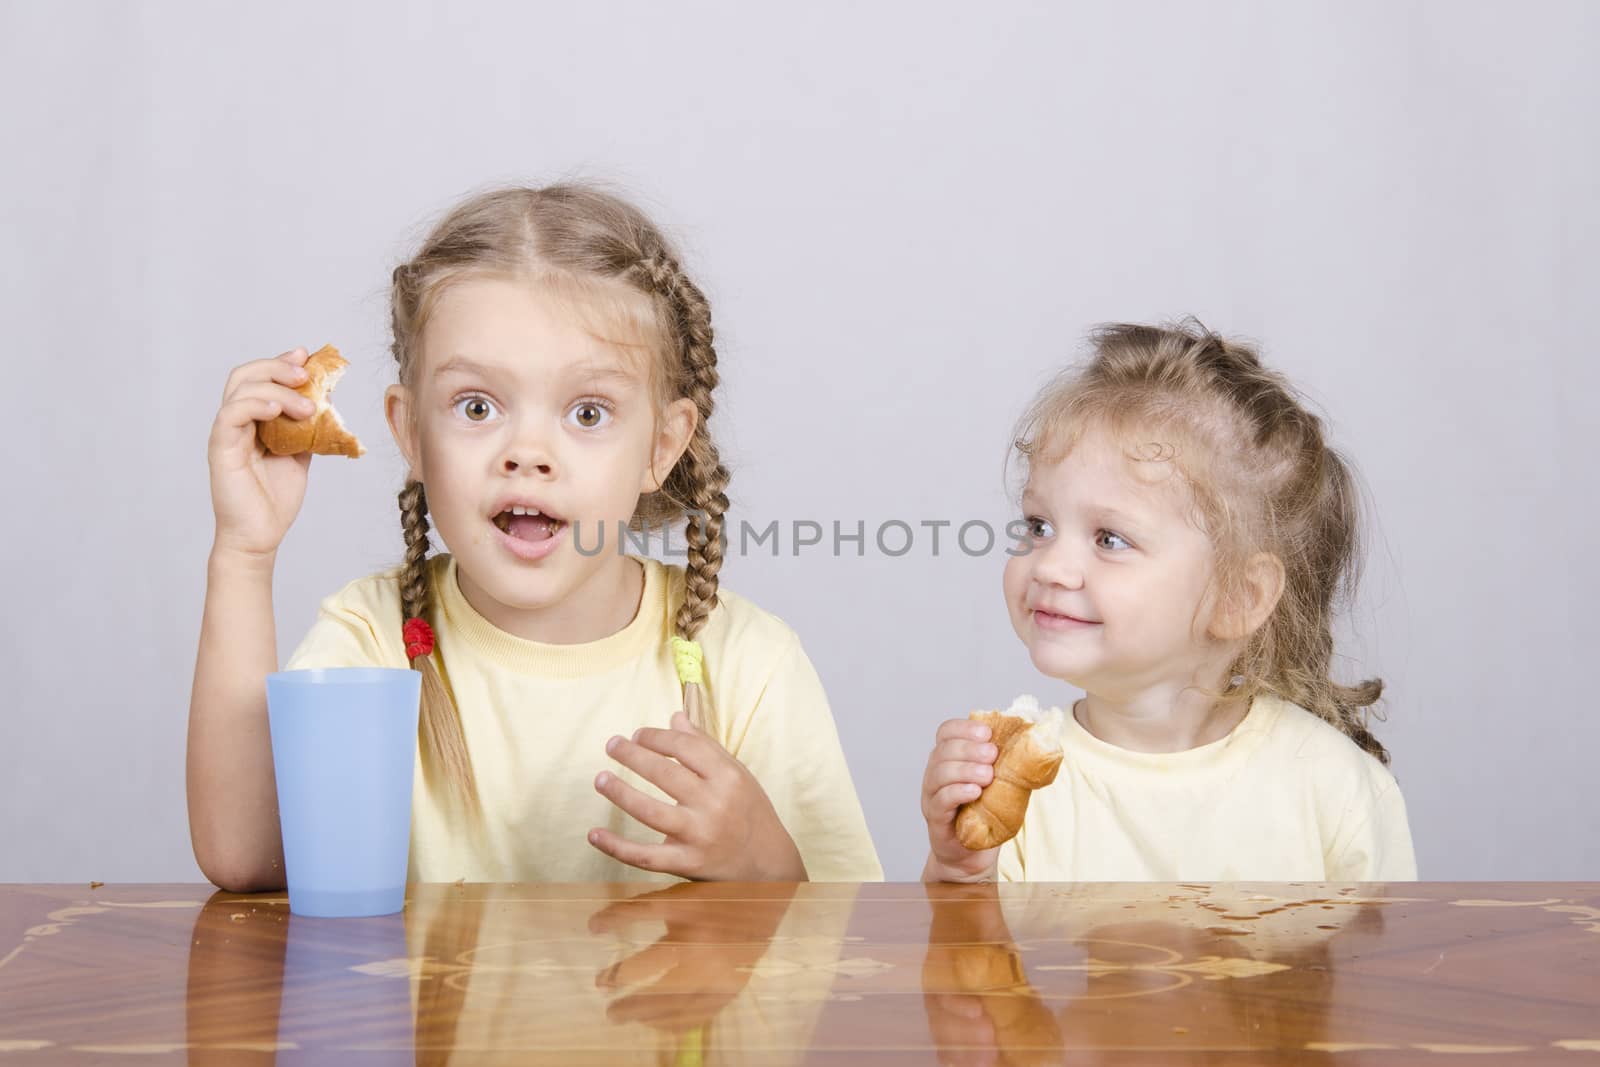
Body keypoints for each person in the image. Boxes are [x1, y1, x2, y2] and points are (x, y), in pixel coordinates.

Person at [190, 183, 881, 888]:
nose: (527, 451)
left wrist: (759, 860)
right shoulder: (374, 639)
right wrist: (244, 553)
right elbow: (246, 855)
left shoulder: (747, 666)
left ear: (662, 445)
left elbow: (853, 943)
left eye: (587, 413)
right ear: (410, 432)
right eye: (477, 405)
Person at [921, 320, 1416, 882]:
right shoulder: (1015, 790)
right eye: (1039, 524)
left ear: (1238, 597)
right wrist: (957, 868)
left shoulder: (1334, 788)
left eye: (1110, 539)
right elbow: (969, 964)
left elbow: (1376, 967)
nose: (1050, 565)